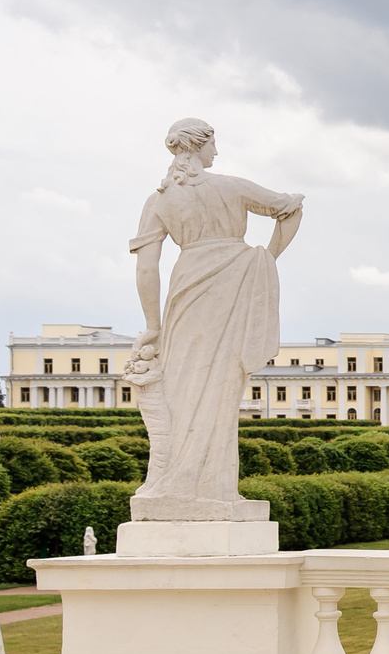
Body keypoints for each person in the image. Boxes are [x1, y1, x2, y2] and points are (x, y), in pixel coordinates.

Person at [129, 118, 303, 515]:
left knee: (181, 386)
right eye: (213, 144)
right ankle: (210, 488)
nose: (217, 153)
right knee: (220, 386)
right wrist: (266, 259)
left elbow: (146, 270)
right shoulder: (231, 186)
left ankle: (190, 484)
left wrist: (152, 325)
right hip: (233, 284)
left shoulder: (158, 201)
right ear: (201, 146)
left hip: (186, 290)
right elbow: (291, 209)